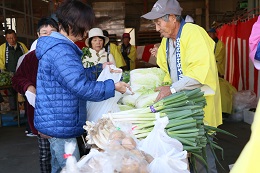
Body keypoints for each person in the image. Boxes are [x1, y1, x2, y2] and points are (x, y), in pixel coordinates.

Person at [34, 1, 130, 172]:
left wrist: (98, 69)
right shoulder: (62, 51)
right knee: (70, 168)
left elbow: (72, 78)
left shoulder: (60, 48)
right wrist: (113, 86)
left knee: (59, 167)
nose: (86, 33)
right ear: (71, 25)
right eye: (84, 28)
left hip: (59, 121)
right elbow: (80, 86)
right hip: (61, 125)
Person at [142, 0, 222, 173]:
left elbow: (199, 73)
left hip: (201, 106)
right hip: (182, 106)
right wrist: (164, 85)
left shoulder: (194, 33)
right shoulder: (167, 41)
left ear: (172, 18)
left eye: (158, 23)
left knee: (203, 158)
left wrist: (171, 89)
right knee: (187, 156)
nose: (157, 28)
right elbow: (166, 69)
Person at [12, 17, 59, 173]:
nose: (48, 35)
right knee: (46, 155)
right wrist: (28, 86)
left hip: (62, 114)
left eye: (52, 32)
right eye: (44, 32)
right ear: (38, 35)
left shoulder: (64, 55)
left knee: (64, 154)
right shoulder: (31, 58)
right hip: (40, 116)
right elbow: (17, 79)